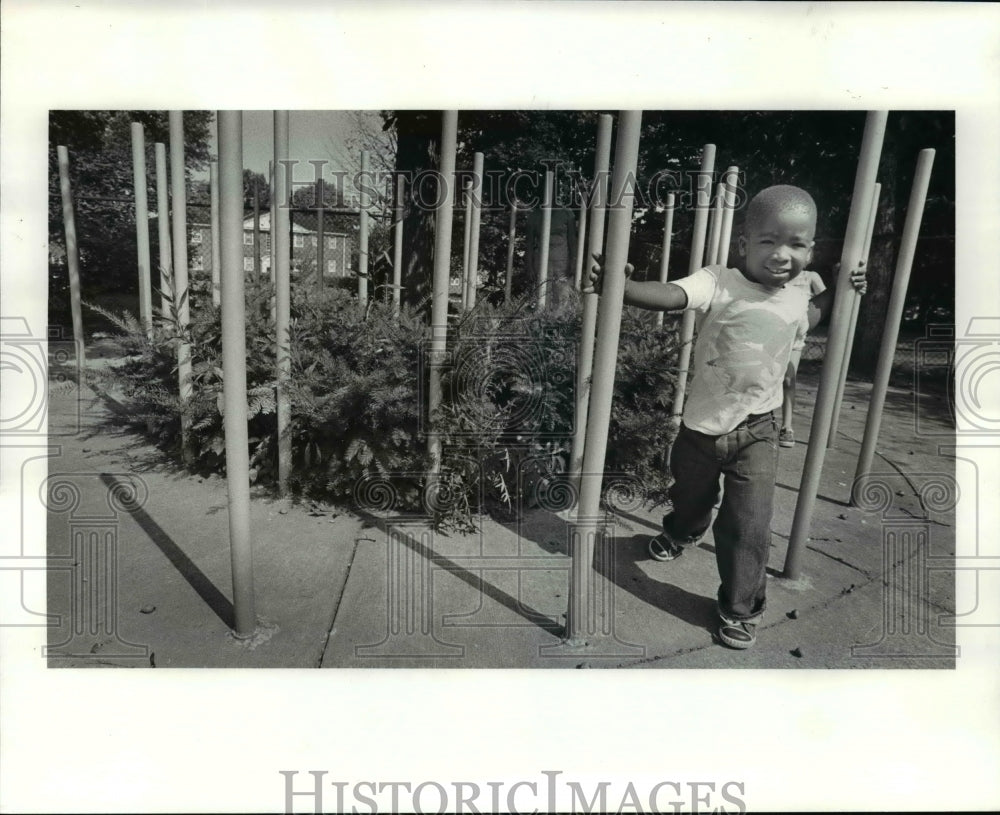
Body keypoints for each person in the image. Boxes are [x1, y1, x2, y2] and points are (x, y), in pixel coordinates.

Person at [588, 185, 867, 649]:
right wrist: (624, 287)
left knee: (749, 524)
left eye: (797, 245)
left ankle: (741, 606)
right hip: (701, 427)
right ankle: (683, 530)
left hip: (759, 428)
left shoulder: (801, 290)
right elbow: (674, 294)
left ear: (811, 249)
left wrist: (841, 287)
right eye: (768, 242)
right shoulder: (719, 281)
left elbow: (813, 315)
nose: (782, 255)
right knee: (691, 495)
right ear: (744, 243)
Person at [780, 269, 827, 447]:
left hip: (795, 336)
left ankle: (787, 426)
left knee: (788, 379)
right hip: (773, 330)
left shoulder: (811, 276)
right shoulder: (779, 272)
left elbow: (826, 301)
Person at [525, 202, 577, 310]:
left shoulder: (567, 213)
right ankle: (541, 321)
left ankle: (560, 324)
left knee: (562, 296)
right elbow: (529, 242)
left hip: (562, 261)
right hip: (541, 260)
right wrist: (529, 266)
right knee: (542, 294)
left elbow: (572, 240)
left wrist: (573, 261)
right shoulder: (535, 215)